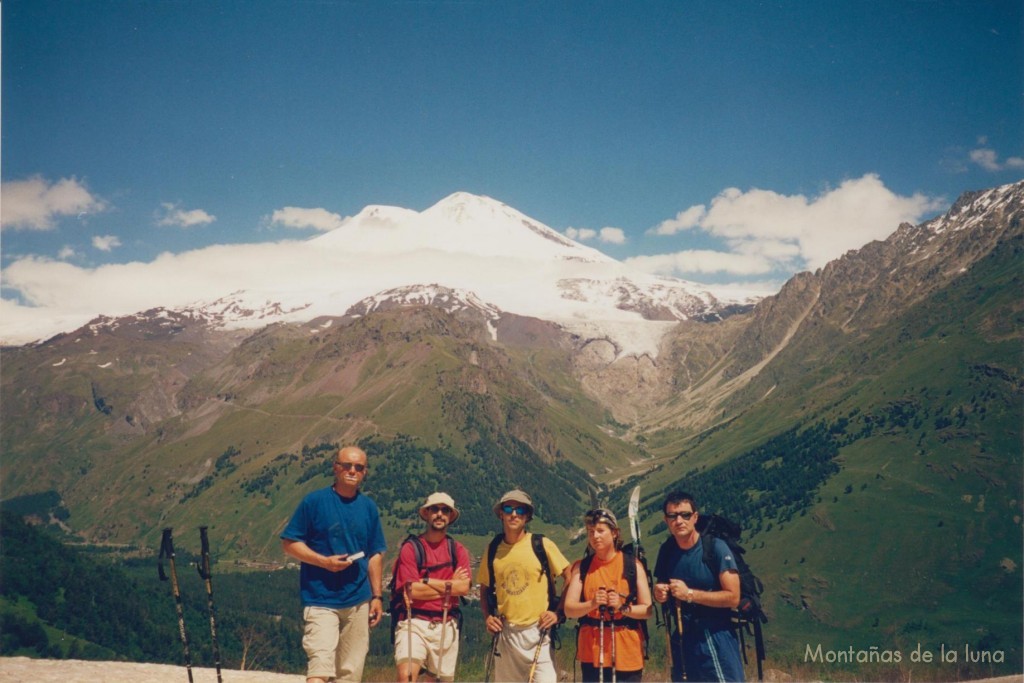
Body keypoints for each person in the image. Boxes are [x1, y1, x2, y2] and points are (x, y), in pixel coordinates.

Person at [281, 445, 387, 683]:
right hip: (320, 598)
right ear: (335, 467)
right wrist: (323, 562)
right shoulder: (314, 502)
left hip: (358, 600)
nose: (352, 470)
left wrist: (377, 596)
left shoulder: (369, 507)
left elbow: (375, 554)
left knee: (350, 673)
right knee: (319, 666)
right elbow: (289, 543)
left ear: (365, 472)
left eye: (358, 467)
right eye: (347, 465)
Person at [477, 489, 571, 683]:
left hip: (539, 632)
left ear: (527, 516)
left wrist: (558, 613)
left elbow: (569, 576)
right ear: (501, 514)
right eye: (509, 508)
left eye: (520, 510)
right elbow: (484, 587)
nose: (514, 514)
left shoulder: (541, 544)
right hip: (506, 633)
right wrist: (488, 618)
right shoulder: (493, 548)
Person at [653, 491, 744, 682]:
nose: (679, 520)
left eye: (685, 515)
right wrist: (660, 593)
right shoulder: (667, 550)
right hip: (683, 638)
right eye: (673, 516)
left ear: (695, 517)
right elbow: (662, 586)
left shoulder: (715, 548)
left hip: (715, 634)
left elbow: (733, 597)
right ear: (666, 520)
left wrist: (690, 594)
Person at [563, 508, 652, 682]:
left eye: (600, 531)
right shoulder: (581, 567)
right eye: (591, 532)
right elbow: (569, 610)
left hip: (626, 652)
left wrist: (622, 608)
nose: (595, 536)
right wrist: (592, 604)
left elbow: (647, 610)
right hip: (592, 651)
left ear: (614, 533)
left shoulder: (632, 565)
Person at [392, 492, 472, 682]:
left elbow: (464, 589)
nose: (439, 514)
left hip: (446, 624)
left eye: (445, 510)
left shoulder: (457, 550)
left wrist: (427, 582)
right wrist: (450, 584)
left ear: (450, 516)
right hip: (414, 621)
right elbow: (413, 591)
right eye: (435, 509)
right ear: (426, 513)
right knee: (407, 676)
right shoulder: (411, 548)